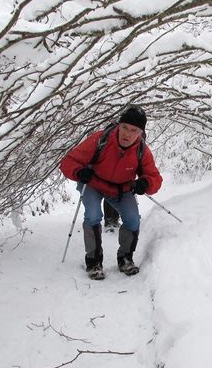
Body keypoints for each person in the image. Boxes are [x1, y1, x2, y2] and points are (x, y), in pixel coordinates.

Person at [59, 106, 162, 280]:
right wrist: (78, 172)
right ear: (118, 125)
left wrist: (145, 183)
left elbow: (154, 178)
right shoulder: (101, 139)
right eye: (124, 127)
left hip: (121, 189)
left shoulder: (142, 150)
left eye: (133, 130)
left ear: (140, 133)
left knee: (133, 219)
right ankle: (93, 262)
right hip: (94, 184)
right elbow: (68, 161)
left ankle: (125, 259)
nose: (127, 134)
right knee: (92, 215)